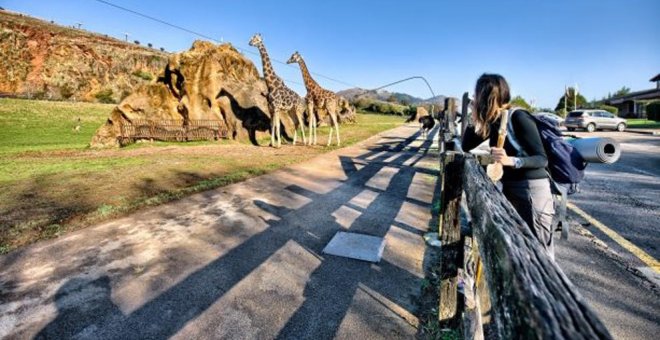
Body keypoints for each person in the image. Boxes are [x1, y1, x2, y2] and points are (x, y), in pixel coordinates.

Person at [462, 73, 556, 258]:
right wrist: (475, 116)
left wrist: (511, 160)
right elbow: (466, 145)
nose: (474, 98)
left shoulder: (518, 117)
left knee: (541, 251)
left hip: (532, 192)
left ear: (486, 95)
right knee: (520, 248)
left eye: (476, 94)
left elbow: (542, 159)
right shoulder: (493, 121)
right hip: (511, 189)